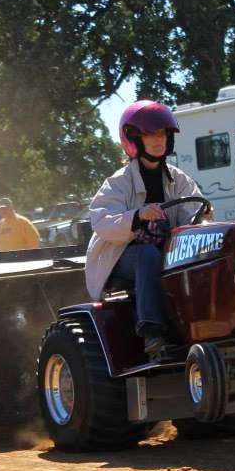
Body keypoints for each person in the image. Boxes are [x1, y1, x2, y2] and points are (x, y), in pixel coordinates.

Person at [85, 100, 204, 359]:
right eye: (151, 134)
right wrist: (138, 215)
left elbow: (195, 214)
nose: (159, 139)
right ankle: (152, 332)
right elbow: (102, 221)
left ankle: (202, 325)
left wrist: (203, 219)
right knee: (147, 254)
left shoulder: (179, 179)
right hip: (119, 256)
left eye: (162, 133)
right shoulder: (118, 182)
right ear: (134, 140)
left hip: (166, 252)